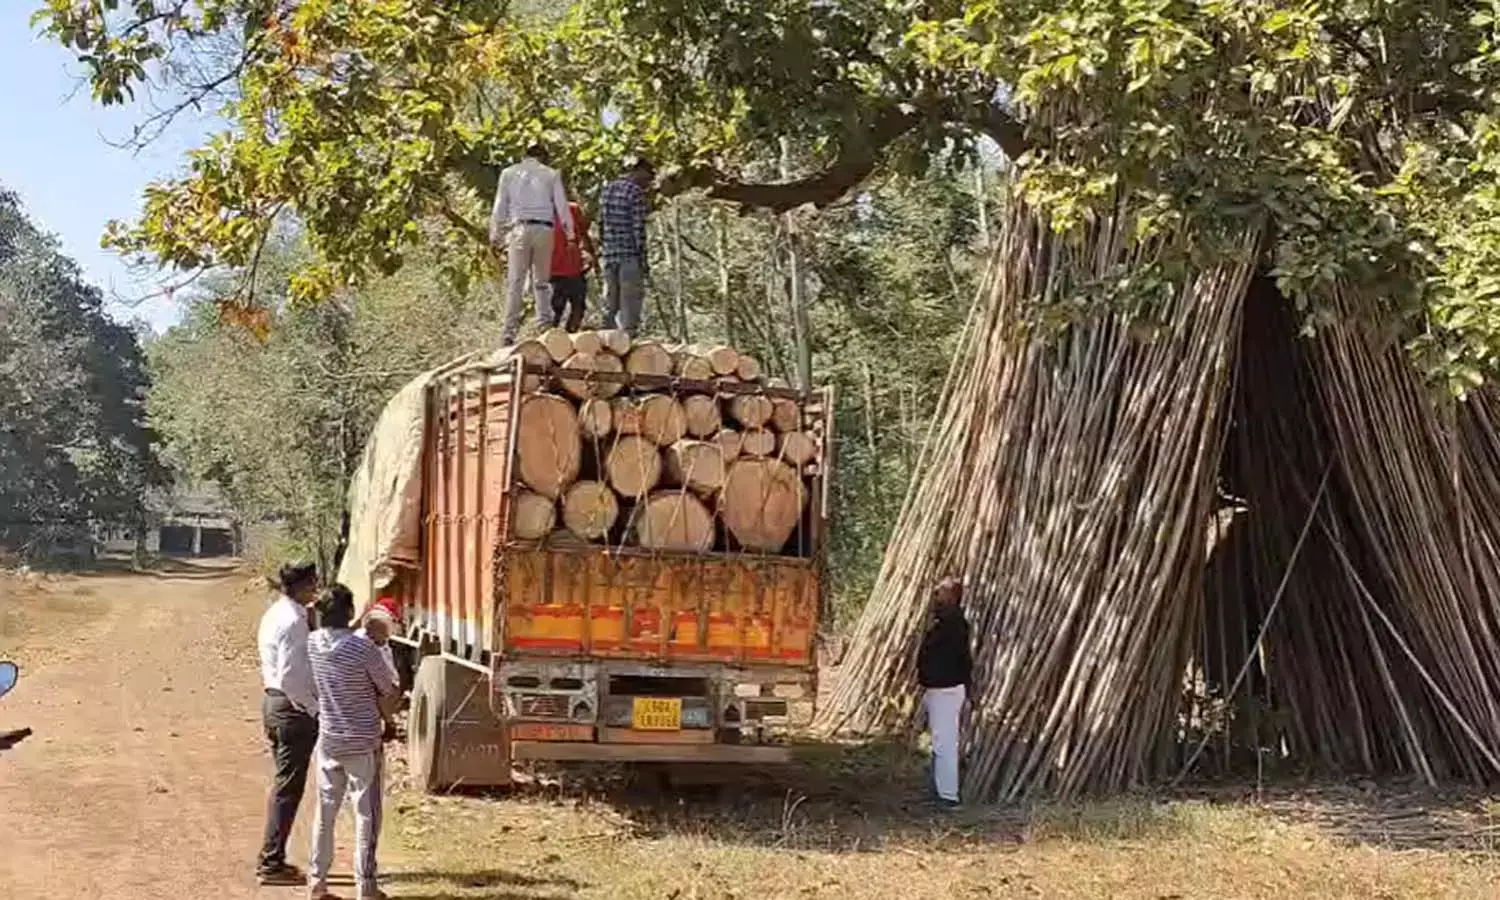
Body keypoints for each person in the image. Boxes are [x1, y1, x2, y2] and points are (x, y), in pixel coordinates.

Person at [306, 584, 398, 900]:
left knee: (325, 812)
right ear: (349, 613)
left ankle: (317, 883)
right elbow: (388, 690)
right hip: (362, 742)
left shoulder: (313, 642)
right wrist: (390, 720)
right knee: (366, 816)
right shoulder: (363, 650)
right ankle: (366, 887)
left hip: (329, 738)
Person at [255, 560, 321, 885]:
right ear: (301, 585)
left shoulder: (276, 612)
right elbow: (292, 677)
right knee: (287, 789)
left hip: (273, 702)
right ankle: (271, 863)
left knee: (284, 785)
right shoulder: (295, 620)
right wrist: (314, 709)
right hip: (292, 708)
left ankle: (274, 858)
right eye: (313, 584)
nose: (316, 590)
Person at [489, 143, 576, 344]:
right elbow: (561, 206)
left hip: (518, 228)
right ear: (543, 156)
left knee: (516, 281)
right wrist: (569, 232)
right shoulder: (551, 174)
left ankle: (508, 332)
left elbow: (500, 205)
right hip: (545, 228)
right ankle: (544, 325)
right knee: (542, 281)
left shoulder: (509, 173)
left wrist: (496, 235)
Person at [916, 576, 972, 810]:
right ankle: (940, 790)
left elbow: (952, 659)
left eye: (940, 593)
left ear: (951, 596)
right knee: (939, 742)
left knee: (946, 743)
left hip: (946, 690)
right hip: (939, 688)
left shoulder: (953, 624)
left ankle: (949, 796)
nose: (935, 597)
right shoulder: (944, 622)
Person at [598, 156, 654, 335]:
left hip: (609, 255)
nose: (648, 182)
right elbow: (639, 230)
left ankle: (606, 340)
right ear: (639, 171)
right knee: (630, 302)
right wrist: (643, 261)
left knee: (610, 303)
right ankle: (628, 339)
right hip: (629, 256)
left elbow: (601, 223)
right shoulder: (635, 192)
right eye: (648, 177)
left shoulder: (607, 189)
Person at [548, 199, 596, 332]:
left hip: (574, 269)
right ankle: (549, 339)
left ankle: (571, 336)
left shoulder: (572, 209)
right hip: (552, 272)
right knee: (555, 310)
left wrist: (591, 256)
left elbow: (584, 234)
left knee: (579, 307)